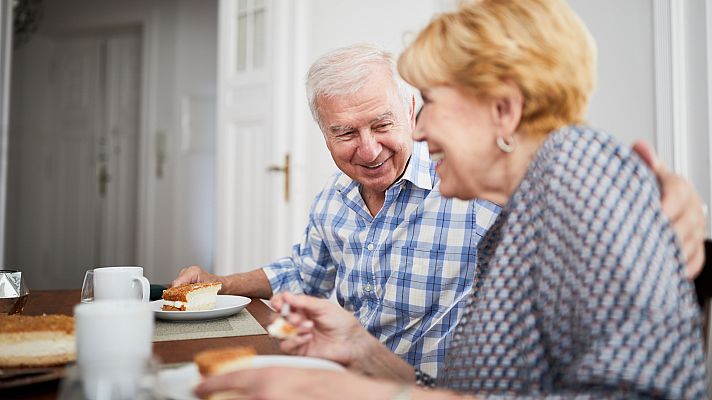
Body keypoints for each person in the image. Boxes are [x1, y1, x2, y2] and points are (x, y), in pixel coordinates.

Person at [193, 0, 707, 399]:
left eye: (431, 102)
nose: (419, 130)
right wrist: (361, 350)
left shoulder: (574, 177)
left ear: (503, 111)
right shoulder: (527, 207)